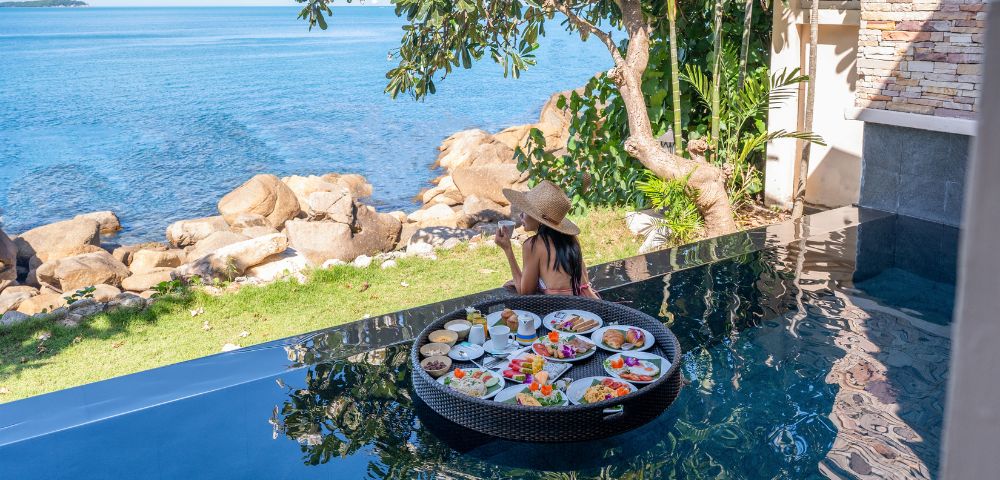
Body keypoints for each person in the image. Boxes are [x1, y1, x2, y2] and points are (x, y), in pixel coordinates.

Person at [494, 181, 600, 299]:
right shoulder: (571, 239)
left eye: (526, 211)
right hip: (590, 302)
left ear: (539, 219)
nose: (521, 216)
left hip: (564, 311)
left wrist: (508, 249)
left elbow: (525, 293)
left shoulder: (533, 245)